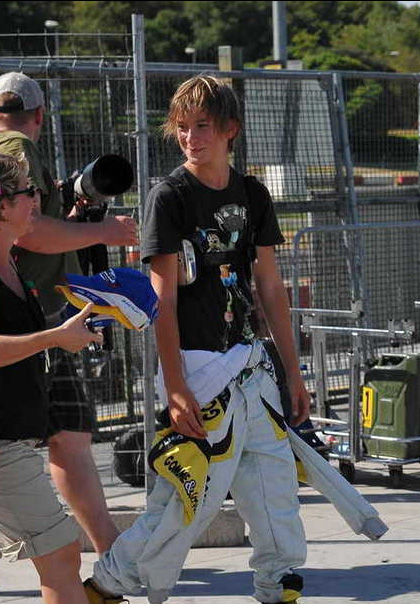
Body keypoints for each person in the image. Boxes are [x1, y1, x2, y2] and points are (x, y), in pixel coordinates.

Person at [84, 75, 312, 604]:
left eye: (202, 125)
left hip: (251, 365)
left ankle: (278, 584)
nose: (191, 137)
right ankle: (108, 584)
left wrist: (293, 371)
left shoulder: (252, 193)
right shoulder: (170, 197)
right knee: (190, 497)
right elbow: (159, 299)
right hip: (197, 368)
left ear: (230, 129)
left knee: (274, 484)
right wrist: (176, 385)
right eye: (182, 127)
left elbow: (269, 285)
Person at [0, 71, 139, 555]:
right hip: (33, 318)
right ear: (41, 114)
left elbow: (33, 228)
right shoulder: (18, 146)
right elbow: (32, 231)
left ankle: (108, 547)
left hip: (38, 314)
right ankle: (105, 548)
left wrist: (73, 219)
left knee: (69, 431)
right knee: (61, 435)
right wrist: (104, 232)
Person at [0, 152, 102, 604]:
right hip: (2, 447)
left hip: (15, 437)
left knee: (59, 554)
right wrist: (54, 337)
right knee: (60, 553)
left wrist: (70, 327)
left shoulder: (13, 264)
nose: (37, 201)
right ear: (2, 204)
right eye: (29, 192)